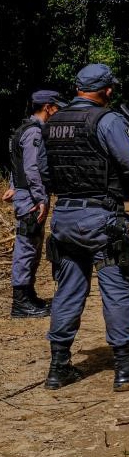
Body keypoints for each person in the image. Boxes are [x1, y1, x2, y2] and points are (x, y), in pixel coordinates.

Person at [43, 63, 129, 391]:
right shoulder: (108, 120)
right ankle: (126, 368)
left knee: (68, 289)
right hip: (101, 218)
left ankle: (58, 367)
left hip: (64, 217)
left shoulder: (53, 122)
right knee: (117, 289)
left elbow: (43, 171)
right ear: (106, 90)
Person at [3, 90, 66, 318]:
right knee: (27, 248)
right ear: (47, 107)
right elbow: (31, 168)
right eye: (56, 107)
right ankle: (20, 303)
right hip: (30, 198)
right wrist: (40, 198)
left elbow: (16, 163)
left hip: (25, 194)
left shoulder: (23, 129)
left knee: (32, 247)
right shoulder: (34, 132)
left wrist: (12, 185)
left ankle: (28, 296)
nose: (58, 111)